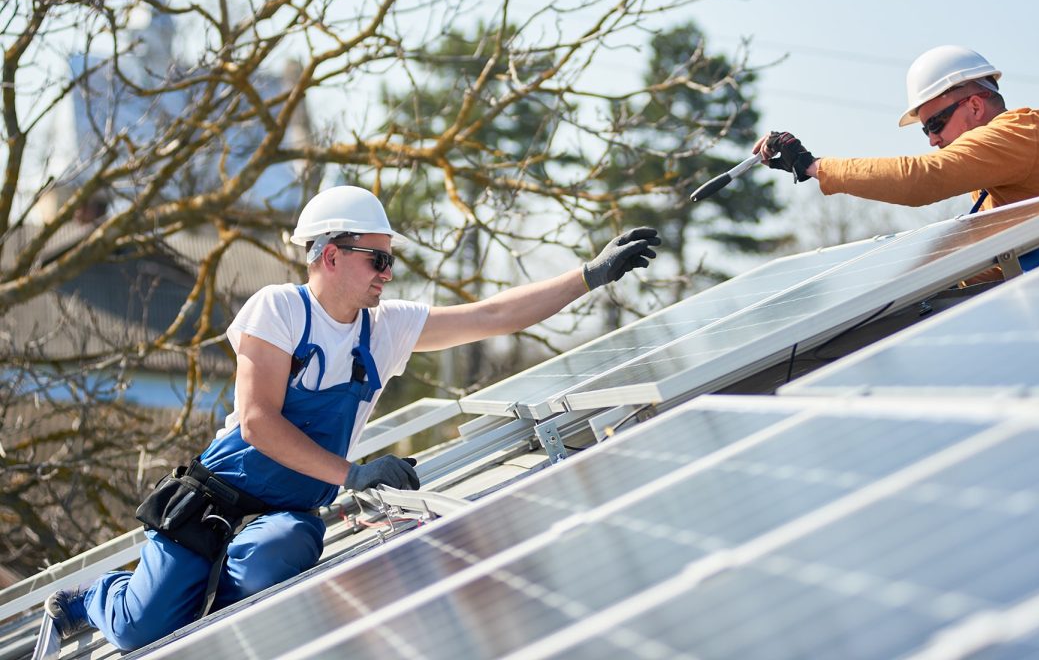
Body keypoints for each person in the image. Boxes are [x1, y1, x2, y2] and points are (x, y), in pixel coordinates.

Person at [45, 185, 661, 651]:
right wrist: (354, 474)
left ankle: (207, 624)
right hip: (214, 501)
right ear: (331, 256)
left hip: (284, 514)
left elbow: (494, 316)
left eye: (389, 262)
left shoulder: (386, 328)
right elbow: (258, 422)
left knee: (275, 558)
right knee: (136, 632)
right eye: (377, 261)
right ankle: (95, 601)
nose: (387, 275)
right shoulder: (279, 309)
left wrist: (589, 276)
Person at [754, 45, 1039, 220]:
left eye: (935, 124)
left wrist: (812, 166)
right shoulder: (991, 170)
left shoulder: (1020, 132)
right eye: (926, 131)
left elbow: (921, 178)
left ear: (974, 106)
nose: (934, 140)